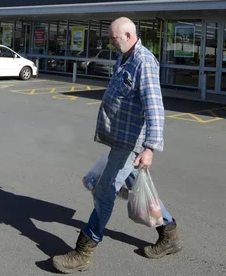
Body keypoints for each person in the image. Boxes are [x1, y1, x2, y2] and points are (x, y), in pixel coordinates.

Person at [51, 17, 181, 273]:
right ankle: (170, 235)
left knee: (104, 192)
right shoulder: (125, 58)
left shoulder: (143, 62)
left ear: (129, 35)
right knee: (137, 187)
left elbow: (155, 108)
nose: (110, 42)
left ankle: (83, 251)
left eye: (113, 38)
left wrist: (150, 148)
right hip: (120, 140)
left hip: (130, 144)